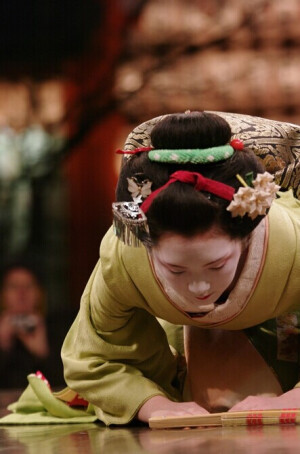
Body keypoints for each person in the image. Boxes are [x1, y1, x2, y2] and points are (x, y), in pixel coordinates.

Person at [61, 111, 300, 426]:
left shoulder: (294, 243)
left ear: (247, 234)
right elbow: (93, 356)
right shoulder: (126, 254)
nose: (199, 286)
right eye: (176, 269)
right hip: (178, 375)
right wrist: (153, 404)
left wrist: (291, 400)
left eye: (216, 264)